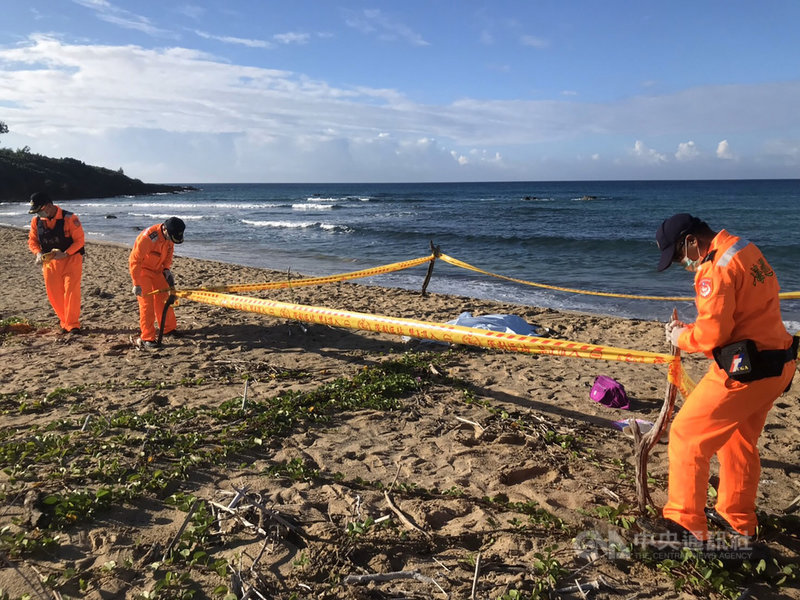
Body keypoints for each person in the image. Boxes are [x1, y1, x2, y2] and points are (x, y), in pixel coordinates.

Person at [654, 213, 796, 543]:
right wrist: (691, 330)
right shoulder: (744, 248)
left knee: (687, 435)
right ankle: (738, 522)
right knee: (737, 442)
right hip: (776, 362)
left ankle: (685, 526)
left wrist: (681, 338)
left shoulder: (713, 269)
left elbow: (714, 334)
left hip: (743, 372)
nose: (680, 263)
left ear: (691, 242)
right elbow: (745, 315)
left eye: (678, 256)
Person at [26, 191, 85, 334]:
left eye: (39, 211)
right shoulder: (36, 221)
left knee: (71, 291)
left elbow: (79, 241)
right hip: (50, 262)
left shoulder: (70, 218)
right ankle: (64, 322)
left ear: (48, 206)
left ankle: (73, 324)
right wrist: (38, 253)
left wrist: (65, 254)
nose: (38, 214)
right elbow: (32, 241)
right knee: (54, 294)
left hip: (71, 259)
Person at [129, 217, 185, 349]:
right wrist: (136, 283)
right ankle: (147, 337)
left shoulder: (169, 237)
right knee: (147, 304)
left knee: (165, 298)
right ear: (164, 230)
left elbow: (169, 253)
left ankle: (168, 329)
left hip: (158, 270)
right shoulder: (147, 238)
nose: (172, 241)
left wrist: (166, 269)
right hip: (143, 271)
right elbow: (134, 260)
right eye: (171, 238)